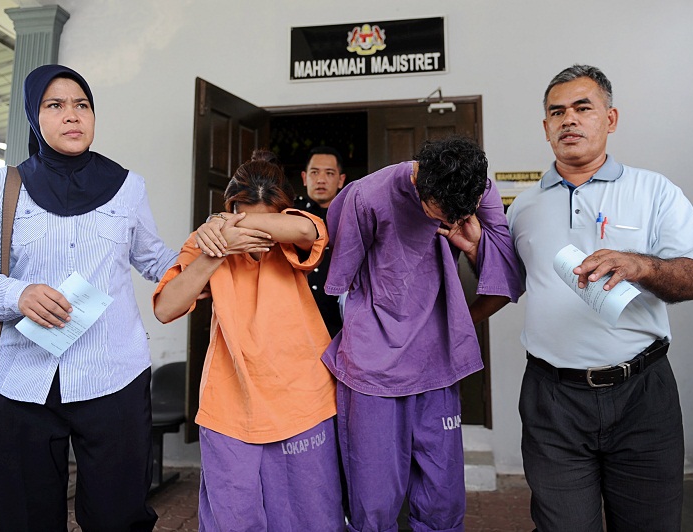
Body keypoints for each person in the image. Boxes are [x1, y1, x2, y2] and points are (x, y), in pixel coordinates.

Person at [0, 65, 178, 530]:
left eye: (82, 104)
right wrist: (19, 294)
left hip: (114, 377)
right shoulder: (2, 187)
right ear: (35, 116)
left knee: (118, 517)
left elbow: (159, 262)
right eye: (55, 105)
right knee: (26, 519)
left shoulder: (128, 187)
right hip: (21, 384)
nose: (72, 115)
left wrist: (215, 246)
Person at [506, 64, 693, 531]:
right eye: (556, 112)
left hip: (643, 392)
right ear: (545, 127)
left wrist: (641, 265)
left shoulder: (655, 191)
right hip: (551, 398)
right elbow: (514, 283)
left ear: (610, 119)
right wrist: (477, 249)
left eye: (583, 108)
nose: (568, 120)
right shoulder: (523, 208)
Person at [322, 135, 522, 531]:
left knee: (442, 500)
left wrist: (473, 247)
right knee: (374, 503)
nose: (445, 223)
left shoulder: (478, 186)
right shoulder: (366, 196)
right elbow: (340, 282)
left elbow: (508, 276)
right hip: (372, 371)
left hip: (436, 367)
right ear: (418, 185)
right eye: (438, 215)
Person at [152, 150, 345, 531]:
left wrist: (226, 221)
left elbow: (309, 231)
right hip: (230, 401)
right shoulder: (207, 242)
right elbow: (165, 308)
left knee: (312, 519)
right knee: (232, 521)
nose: (255, 234)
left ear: (282, 212)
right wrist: (216, 251)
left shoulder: (295, 230)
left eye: (265, 221)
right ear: (233, 205)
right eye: (243, 216)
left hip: (303, 398)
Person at [295, 146, 347, 337]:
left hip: (338, 323)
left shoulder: (352, 215)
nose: (321, 179)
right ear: (304, 177)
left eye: (329, 173)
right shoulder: (289, 214)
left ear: (341, 180)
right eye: (314, 172)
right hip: (296, 320)